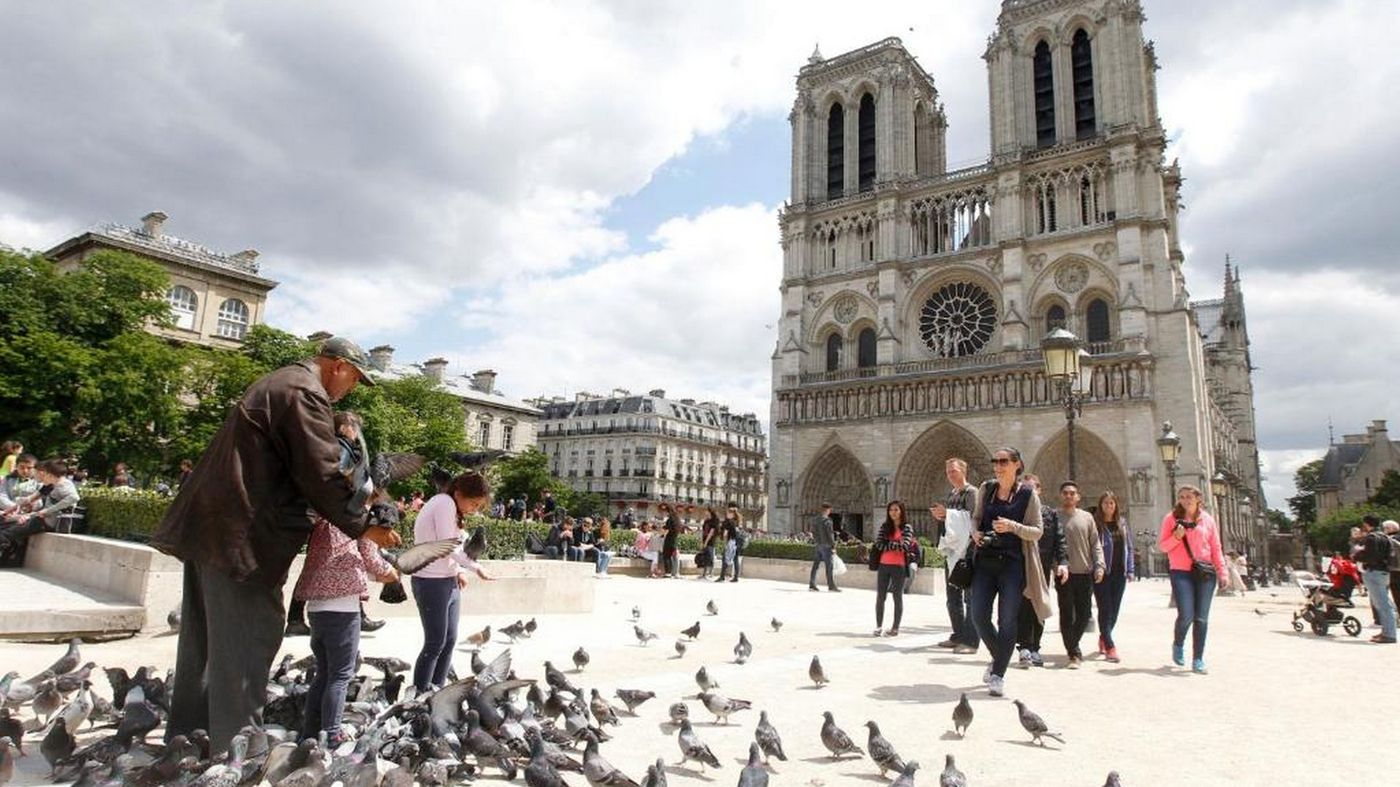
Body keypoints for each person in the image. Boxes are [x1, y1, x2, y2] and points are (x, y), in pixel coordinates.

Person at [152, 336, 376, 754]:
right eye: (356, 379)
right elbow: (321, 473)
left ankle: (188, 743)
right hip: (243, 539)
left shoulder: (279, 383)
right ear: (339, 366)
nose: (352, 389)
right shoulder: (304, 393)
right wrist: (365, 525)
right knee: (247, 642)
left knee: (203, 644)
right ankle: (239, 756)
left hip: (214, 529)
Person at [291, 500, 398, 746]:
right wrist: (391, 574)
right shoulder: (360, 523)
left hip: (316, 608)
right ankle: (332, 733)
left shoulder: (326, 518)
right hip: (342, 609)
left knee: (323, 672)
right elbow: (371, 559)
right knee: (340, 675)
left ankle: (310, 731)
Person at [285, 411, 391, 636]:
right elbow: (335, 479)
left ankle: (301, 618)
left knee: (317, 565)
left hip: (323, 511)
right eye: (356, 429)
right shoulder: (339, 447)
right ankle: (295, 618)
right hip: (329, 513)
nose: (357, 435)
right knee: (321, 564)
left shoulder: (333, 446)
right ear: (345, 427)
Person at [968, 447, 1048, 697]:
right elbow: (976, 517)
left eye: (1003, 461)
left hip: (1013, 564)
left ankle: (998, 674)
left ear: (1017, 464)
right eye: (995, 461)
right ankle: (999, 657)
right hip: (985, 560)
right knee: (978, 615)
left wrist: (1012, 527)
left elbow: (1037, 531)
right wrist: (975, 532)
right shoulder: (986, 488)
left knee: (1007, 620)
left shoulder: (1028, 494)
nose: (998, 465)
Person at [412, 471, 496, 693]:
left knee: (449, 641)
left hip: (446, 580)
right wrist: (475, 567)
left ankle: (437, 691)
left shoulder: (452, 507)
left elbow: (454, 547)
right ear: (459, 493)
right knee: (434, 643)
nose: (474, 510)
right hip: (430, 581)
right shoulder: (443, 503)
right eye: (474, 503)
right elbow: (447, 544)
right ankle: (420, 696)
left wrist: (459, 569)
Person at [1157, 485, 1228, 672]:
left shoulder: (1208, 520)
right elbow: (1163, 547)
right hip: (1181, 572)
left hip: (1205, 572)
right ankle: (1178, 644)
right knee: (1186, 615)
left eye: (1189, 496)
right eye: (1181, 497)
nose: (1185, 500)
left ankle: (1198, 659)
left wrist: (1223, 572)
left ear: (1198, 498)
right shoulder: (1171, 519)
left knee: (1201, 618)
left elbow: (1216, 547)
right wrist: (1176, 537)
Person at [1014, 473, 1064, 668]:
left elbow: (1059, 540)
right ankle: (1025, 647)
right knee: (1022, 606)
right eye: (1024, 489)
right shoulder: (1016, 512)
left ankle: (1035, 647)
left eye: (1032, 488)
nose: (1028, 492)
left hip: (1041, 567)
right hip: (1019, 565)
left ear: (1039, 490)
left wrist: (1062, 562)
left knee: (1039, 607)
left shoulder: (1050, 514)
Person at [1053, 481, 1104, 669]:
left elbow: (1095, 543)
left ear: (1078, 497)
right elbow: (1050, 546)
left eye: (1072, 493)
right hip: (1063, 573)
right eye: (1065, 493)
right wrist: (1054, 566)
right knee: (1067, 614)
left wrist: (1099, 565)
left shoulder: (1087, 517)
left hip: (1084, 571)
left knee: (1084, 614)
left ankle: (1072, 643)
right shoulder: (1054, 517)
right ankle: (1073, 653)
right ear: (1060, 495)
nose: (1069, 496)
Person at [932, 457, 979, 654]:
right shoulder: (952, 494)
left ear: (963, 471)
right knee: (952, 596)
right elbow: (953, 522)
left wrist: (948, 514)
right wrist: (942, 517)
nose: (950, 475)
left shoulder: (972, 492)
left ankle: (971, 641)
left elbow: (974, 518)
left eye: (954, 471)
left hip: (968, 551)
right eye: (948, 472)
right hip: (952, 551)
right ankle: (958, 635)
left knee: (970, 597)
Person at [0, 458, 80, 561]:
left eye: (44, 473)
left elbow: (74, 498)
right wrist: (10, 510)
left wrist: (48, 510)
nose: (41, 476)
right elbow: (32, 498)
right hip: (40, 518)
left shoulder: (64, 485)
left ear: (50, 474)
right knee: (5, 523)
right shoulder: (51, 484)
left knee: (9, 532)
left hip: (48, 521)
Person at [1092, 491, 1134, 663]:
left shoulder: (1122, 524)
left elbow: (1129, 548)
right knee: (1105, 608)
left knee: (1114, 610)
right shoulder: (1095, 524)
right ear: (1100, 506)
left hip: (1119, 572)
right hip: (1102, 573)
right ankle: (1110, 646)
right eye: (1105, 503)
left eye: (1111, 503)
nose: (1108, 506)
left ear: (1116, 505)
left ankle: (1104, 636)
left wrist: (1130, 569)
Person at [872, 500, 916, 637]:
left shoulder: (907, 528)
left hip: (899, 566)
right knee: (880, 596)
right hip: (884, 565)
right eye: (891, 510)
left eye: (896, 510)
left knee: (897, 597)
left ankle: (895, 628)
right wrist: (895, 544)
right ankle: (878, 626)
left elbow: (905, 546)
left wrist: (888, 544)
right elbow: (879, 544)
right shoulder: (885, 527)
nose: (893, 513)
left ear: (902, 511)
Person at [1354, 514, 1397, 644]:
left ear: (1367, 524)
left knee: (1382, 604)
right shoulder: (1385, 537)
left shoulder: (1372, 538)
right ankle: (1387, 631)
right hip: (1384, 571)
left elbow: (1370, 556)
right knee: (1385, 603)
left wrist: (1357, 555)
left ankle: (1389, 634)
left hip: (1374, 572)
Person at [808, 503, 840, 592]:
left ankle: (812, 584)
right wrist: (833, 545)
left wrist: (817, 541)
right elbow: (830, 534)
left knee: (816, 565)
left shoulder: (815, 520)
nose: (830, 512)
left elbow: (813, 532)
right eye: (829, 510)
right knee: (829, 566)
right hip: (827, 545)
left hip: (818, 545)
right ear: (827, 510)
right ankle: (831, 586)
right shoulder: (827, 521)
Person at [717, 507, 745, 582]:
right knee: (735, 559)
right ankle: (736, 577)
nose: (727, 514)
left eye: (728, 513)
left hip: (731, 542)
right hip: (737, 543)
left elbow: (725, 534)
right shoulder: (737, 522)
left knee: (725, 558)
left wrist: (724, 542)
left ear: (732, 514)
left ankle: (722, 576)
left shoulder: (729, 522)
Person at [1383, 520, 1400, 622]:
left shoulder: (1389, 540)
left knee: (1397, 594)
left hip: (1394, 570)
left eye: (1385, 528)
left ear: (1390, 529)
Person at [659, 503, 681, 578]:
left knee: (666, 555)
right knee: (674, 557)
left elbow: (666, 530)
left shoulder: (670, 519)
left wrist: (661, 535)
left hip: (669, 539)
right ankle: (674, 573)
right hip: (675, 539)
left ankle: (668, 573)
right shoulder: (677, 519)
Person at [699, 508, 720, 580]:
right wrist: (702, 541)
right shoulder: (706, 521)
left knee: (710, 557)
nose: (705, 512)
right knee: (705, 557)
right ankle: (704, 574)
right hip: (705, 540)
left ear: (710, 512)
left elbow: (711, 533)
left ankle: (710, 573)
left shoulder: (714, 521)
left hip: (711, 541)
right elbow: (703, 531)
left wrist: (706, 542)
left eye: (706, 511)